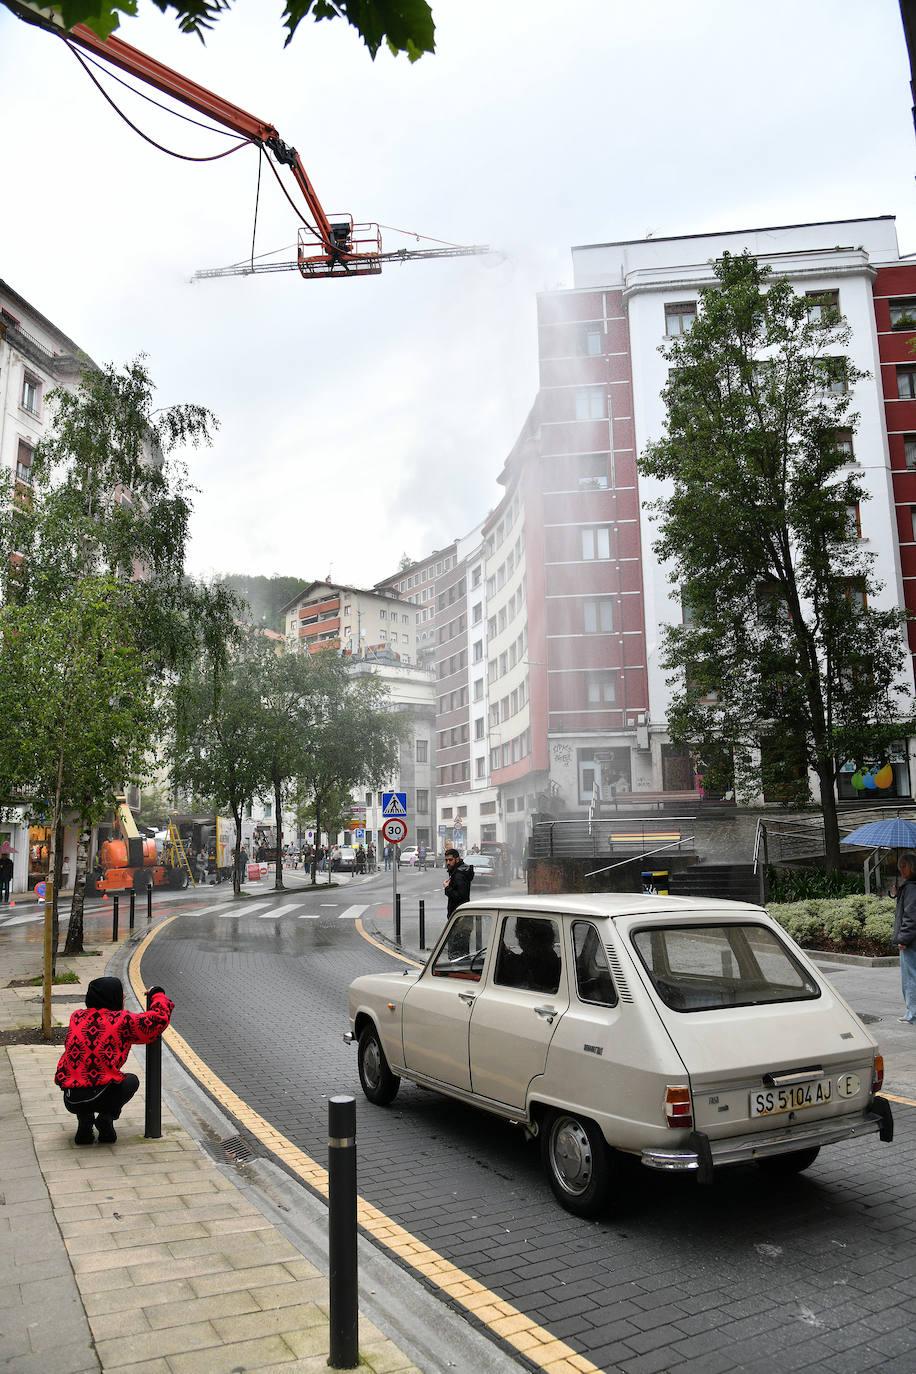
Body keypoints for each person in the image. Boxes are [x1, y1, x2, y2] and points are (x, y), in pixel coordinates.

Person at [55, 977, 173, 1145]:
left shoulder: (77, 1017)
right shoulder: (121, 1020)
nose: (123, 996)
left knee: (83, 1077)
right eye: (120, 993)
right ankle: (106, 1117)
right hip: (102, 1096)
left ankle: (84, 1121)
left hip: (71, 1098)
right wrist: (157, 994)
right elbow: (157, 1020)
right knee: (131, 1080)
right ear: (112, 997)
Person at [895, 851, 916, 1024]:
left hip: (911, 942)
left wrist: (903, 939)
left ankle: (913, 1014)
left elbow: (910, 916)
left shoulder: (911, 888)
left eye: (903, 866)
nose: (901, 870)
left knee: (910, 979)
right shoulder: (910, 887)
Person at [443, 847, 474, 916]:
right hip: (460, 912)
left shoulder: (459, 874)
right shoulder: (458, 870)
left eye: (450, 860)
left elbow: (460, 897)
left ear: (457, 859)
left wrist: (447, 887)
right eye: (446, 860)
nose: (448, 862)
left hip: (459, 913)